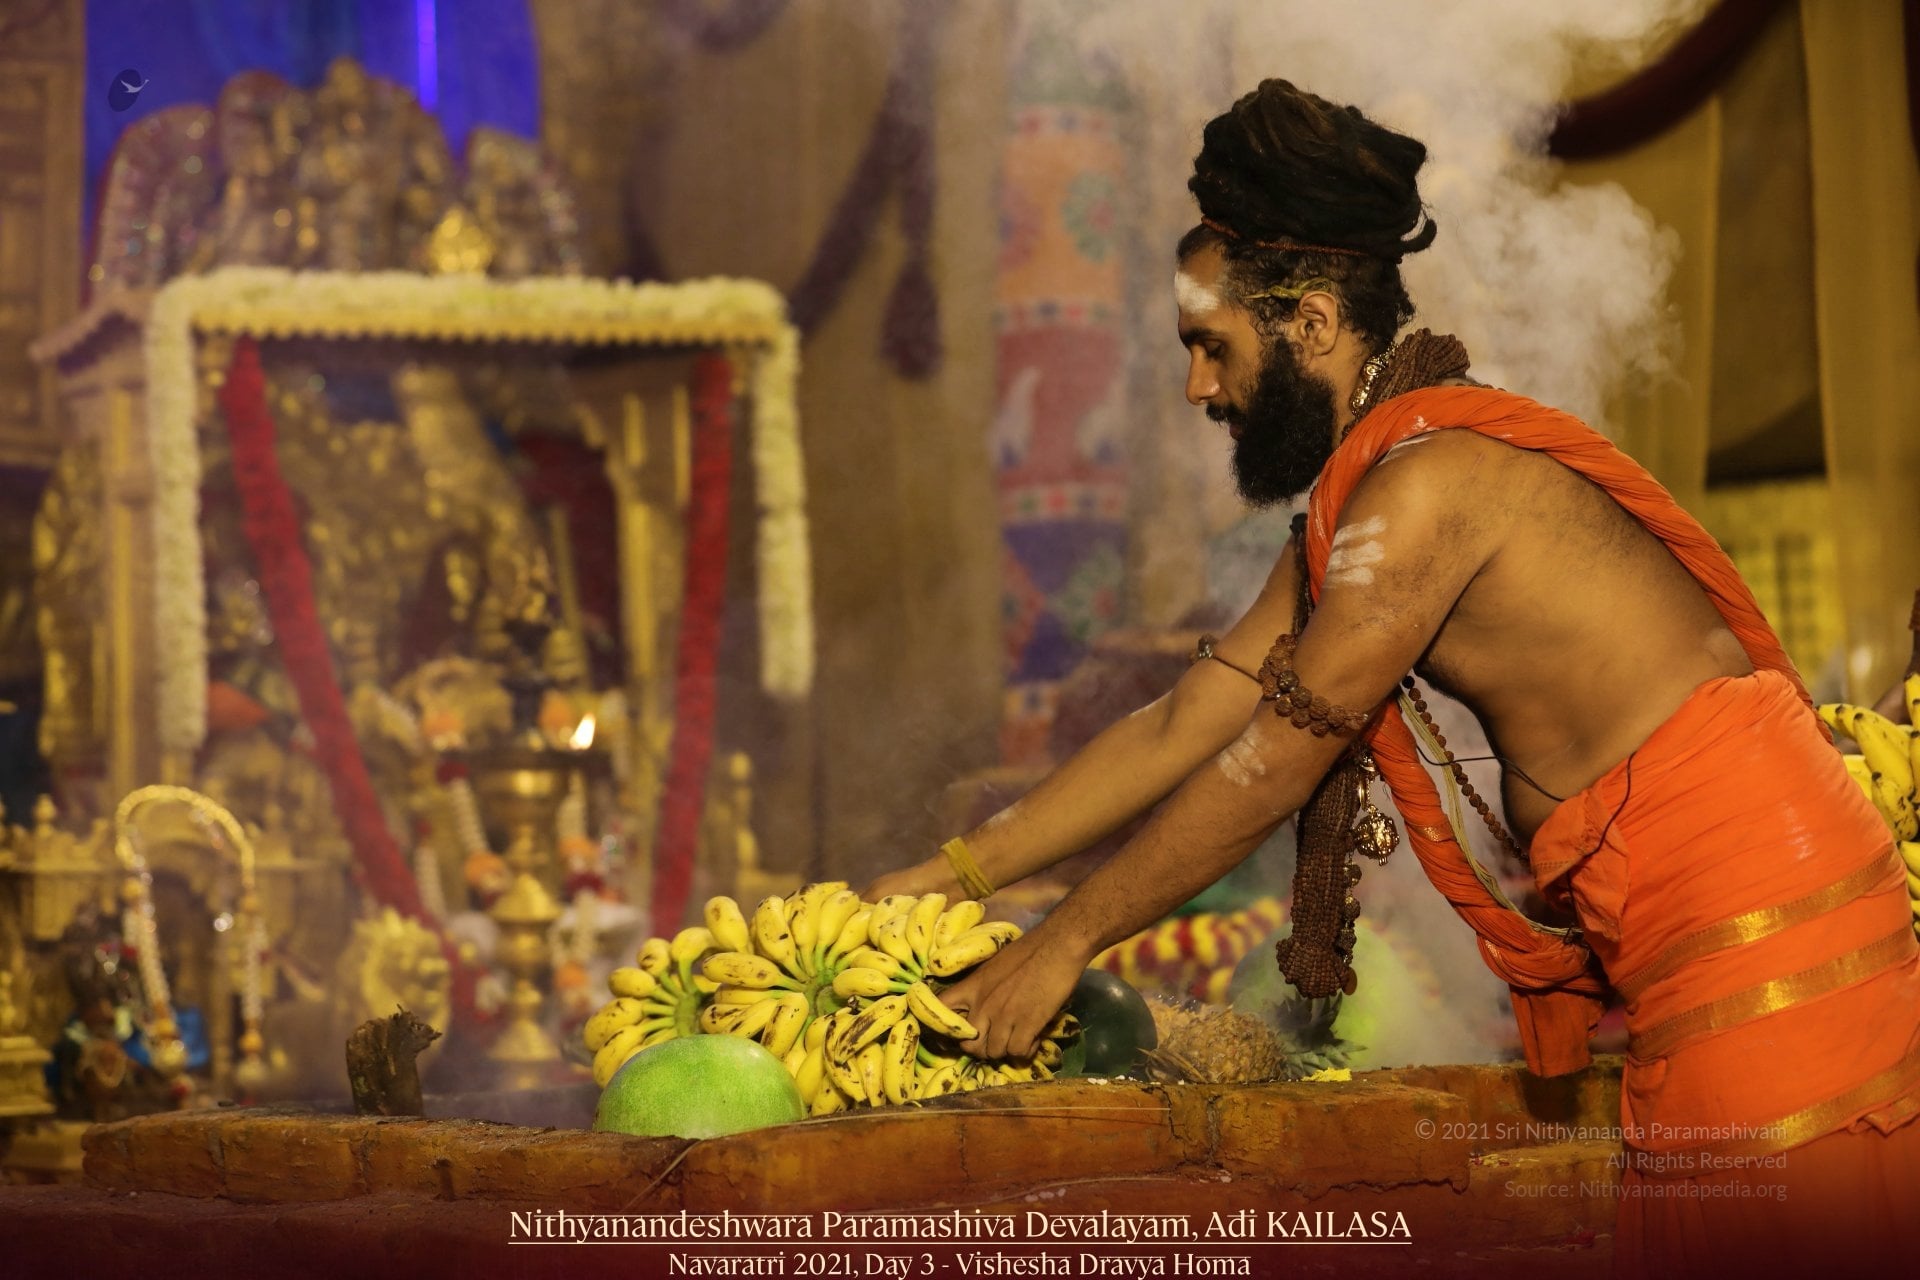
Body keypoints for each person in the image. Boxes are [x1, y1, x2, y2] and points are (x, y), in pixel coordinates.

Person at [868, 79, 1920, 1276]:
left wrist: (1065, 940)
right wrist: (944, 874)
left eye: (1212, 347)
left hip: (1766, 929)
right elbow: (1182, 722)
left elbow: (1274, 761)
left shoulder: (1423, 489)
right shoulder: (1368, 499)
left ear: (1313, 322)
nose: (1199, 389)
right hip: (1711, 927)